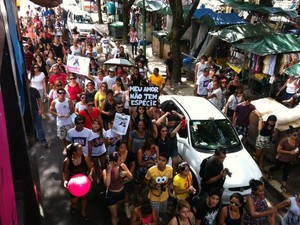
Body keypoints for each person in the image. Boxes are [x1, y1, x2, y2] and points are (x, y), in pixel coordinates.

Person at [62, 143, 94, 222]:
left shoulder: (85, 157)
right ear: (74, 152)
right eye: (80, 150)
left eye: (81, 149)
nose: (82, 151)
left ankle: (83, 212)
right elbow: (65, 172)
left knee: (84, 197)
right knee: (74, 201)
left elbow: (91, 167)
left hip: (84, 183)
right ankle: (73, 206)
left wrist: (90, 175)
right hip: (73, 184)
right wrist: (65, 180)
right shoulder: (67, 161)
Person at [267, 125, 299, 194]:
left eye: (297, 135)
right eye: (295, 135)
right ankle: (269, 171)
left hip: (290, 159)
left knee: (286, 172)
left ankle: (283, 185)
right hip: (282, 158)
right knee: (277, 167)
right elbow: (279, 150)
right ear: (290, 134)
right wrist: (290, 152)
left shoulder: (296, 141)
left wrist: (296, 152)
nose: (296, 136)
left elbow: (296, 148)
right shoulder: (284, 141)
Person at [103, 152, 133, 225]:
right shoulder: (105, 171)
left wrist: (126, 173)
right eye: (119, 160)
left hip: (121, 192)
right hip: (111, 195)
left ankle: (114, 210)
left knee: (117, 207)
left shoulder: (122, 166)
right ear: (113, 162)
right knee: (114, 216)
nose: (122, 161)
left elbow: (131, 177)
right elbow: (107, 184)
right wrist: (109, 171)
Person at [90, 119, 107, 184]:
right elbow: (88, 144)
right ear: (92, 125)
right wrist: (94, 144)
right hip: (94, 153)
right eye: (94, 123)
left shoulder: (102, 131)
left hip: (102, 151)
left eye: (97, 124)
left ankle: (104, 176)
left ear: (100, 125)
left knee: (103, 165)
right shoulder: (89, 133)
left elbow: (106, 139)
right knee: (96, 166)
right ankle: (99, 177)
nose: (96, 125)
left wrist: (104, 141)